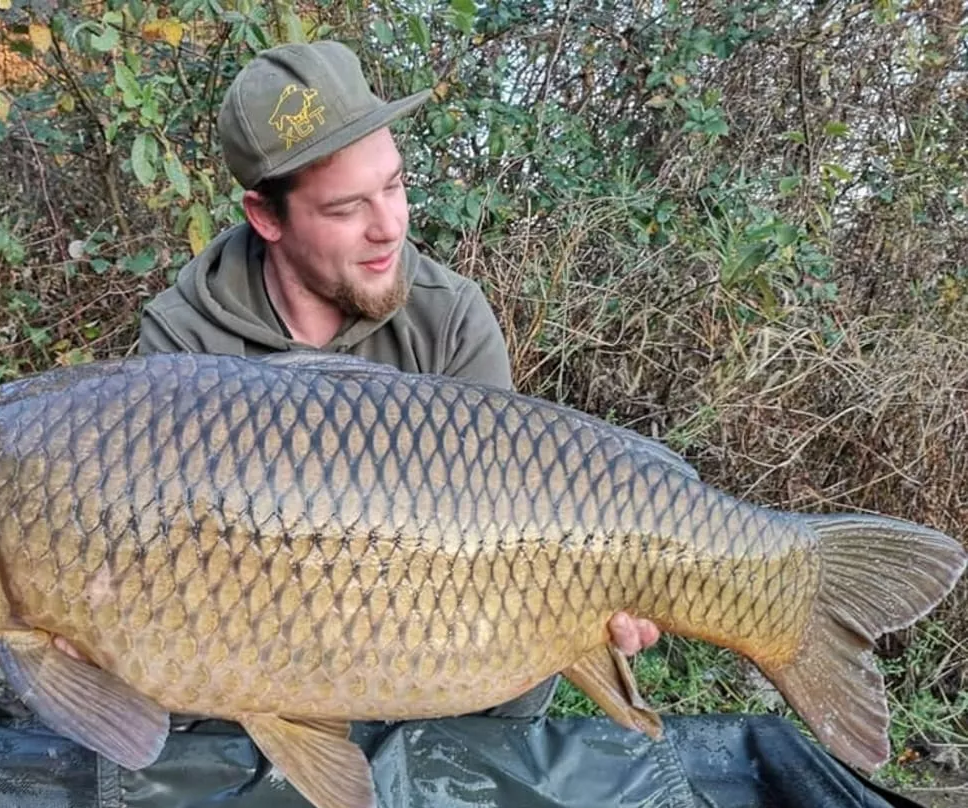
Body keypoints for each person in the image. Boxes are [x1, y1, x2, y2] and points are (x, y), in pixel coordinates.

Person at [133, 39, 660, 716]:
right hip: (259, 630)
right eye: (346, 208)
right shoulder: (185, 339)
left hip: (442, 618)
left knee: (531, 659)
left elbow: (510, 525)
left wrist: (593, 599)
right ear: (266, 216)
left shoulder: (451, 318)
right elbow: (180, 560)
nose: (390, 228)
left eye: (395, 185)